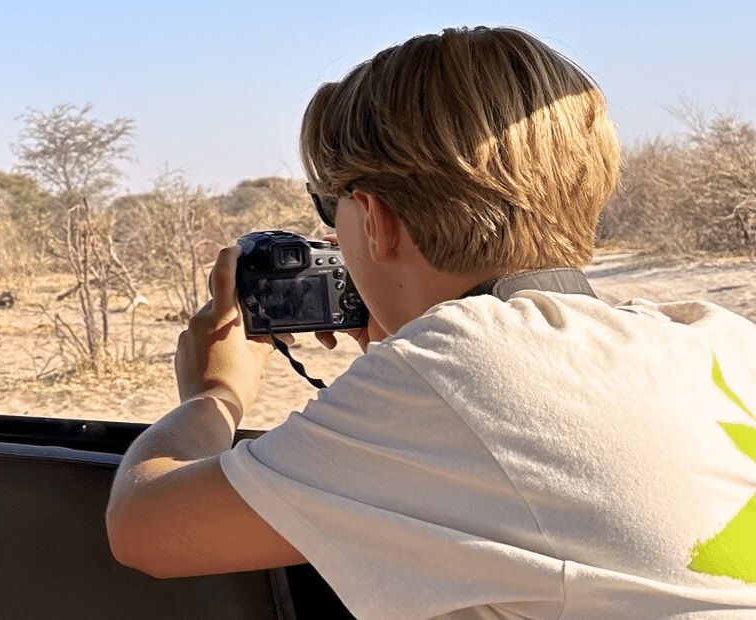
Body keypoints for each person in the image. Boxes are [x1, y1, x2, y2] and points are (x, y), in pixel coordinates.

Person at [104, 26, 756, 619]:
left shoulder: (452, 366)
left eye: (329, 206)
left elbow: (146, 529)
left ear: (376, 219)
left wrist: (215, 393)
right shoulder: (718, 337)